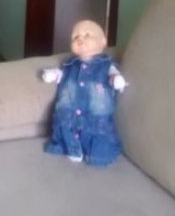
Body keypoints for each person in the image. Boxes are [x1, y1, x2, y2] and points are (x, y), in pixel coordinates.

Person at [42, 19, 127, 166]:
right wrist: (53, 74)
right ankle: (70, 149)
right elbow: (62, 77)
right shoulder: (69, 65)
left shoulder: (106, 65)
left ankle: (95, 153)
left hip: (96, 120)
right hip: (68, 117)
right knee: (65, 130)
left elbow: (114, 77)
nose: (80, 39)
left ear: (103, 41)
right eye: (75, 37)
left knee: (99, 143)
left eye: (87, 35)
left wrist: (117, 79)